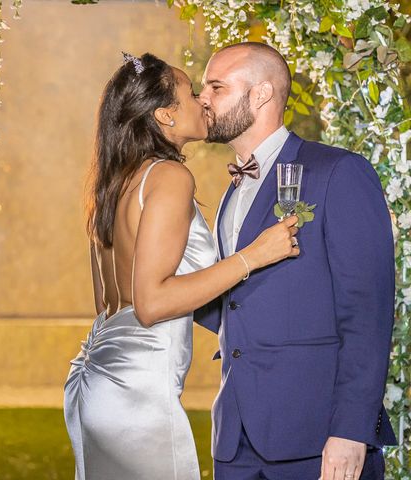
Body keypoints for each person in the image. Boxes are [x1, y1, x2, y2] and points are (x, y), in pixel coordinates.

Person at [63, 52, 300, 480]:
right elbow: (152, 303)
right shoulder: (168, 177)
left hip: (98, 377)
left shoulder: (115, 182)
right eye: (192, 92)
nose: (203, 100)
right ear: (165, 116)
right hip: (137, 393)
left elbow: (111, 301)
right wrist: (256, 255)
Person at [197, 41, 396, 480]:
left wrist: (350, 431)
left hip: (317, 437)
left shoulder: (338, 173)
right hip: (235, 439)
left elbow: (367, 314)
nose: (203, 100)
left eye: (216, 87)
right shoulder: (232, 190)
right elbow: (235, 303)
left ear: (261, 94)